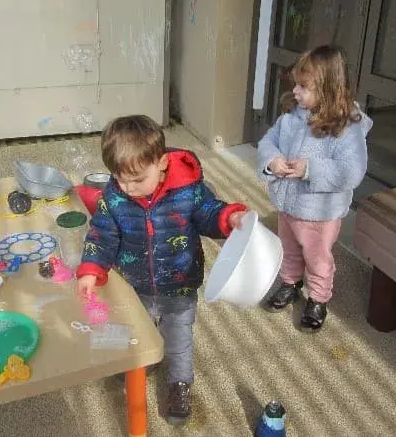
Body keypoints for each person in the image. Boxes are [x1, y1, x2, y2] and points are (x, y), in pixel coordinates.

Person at [75, 114, 247, 425]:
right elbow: (101, 234)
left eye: (138, 179)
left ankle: (179, 383)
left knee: (178, 339)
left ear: (163, 163)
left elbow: (210, 213)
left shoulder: (188, 191)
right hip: (136, 284)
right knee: (138, 328)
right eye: (120, 178)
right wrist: (90, 268)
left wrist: (229, 218)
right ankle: (145, 360)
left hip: (179, 285)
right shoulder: (113, 196)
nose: (128, 188)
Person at [257, 45, 372, 332]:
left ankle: (318, 297)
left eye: (303, 86)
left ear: (329, 89)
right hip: (288, 204)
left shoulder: (346, 128)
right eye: (296, 84)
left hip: (319, 213)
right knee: (289, 248)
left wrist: (311, 169)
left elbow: (352, 171)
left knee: (318, 257)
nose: (295, 91)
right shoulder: (293, 116)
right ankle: (290, 282)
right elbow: (268, 140)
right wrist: (273, 160)